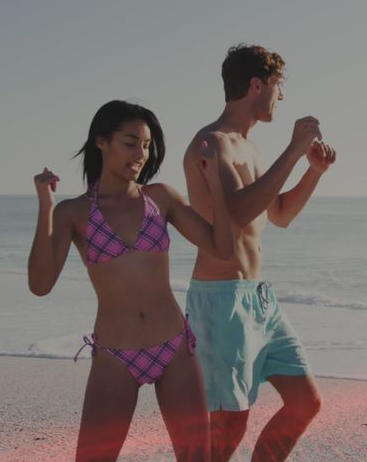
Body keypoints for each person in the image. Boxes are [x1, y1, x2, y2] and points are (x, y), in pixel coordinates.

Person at [28, 100, 233, 461]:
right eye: (130, 142)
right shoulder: (72, 213)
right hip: (115, 357)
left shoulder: (161, 198)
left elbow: (223, 247)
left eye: (146, 144)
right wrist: (46, 206)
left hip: (174, 349)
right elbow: (40, 284)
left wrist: (215, 181)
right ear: (101, 142)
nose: (141, 153)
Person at [182, 44, 337, 461]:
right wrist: (293, 149)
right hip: (221, 301)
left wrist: (312, 171)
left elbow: (280, 213)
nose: (280, 97)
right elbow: (234, 214)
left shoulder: (249, 147)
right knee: (230, 425)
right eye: (277, 86)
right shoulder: (209, 144)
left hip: (259, 299)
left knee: (306, 402)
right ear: (256, 85)